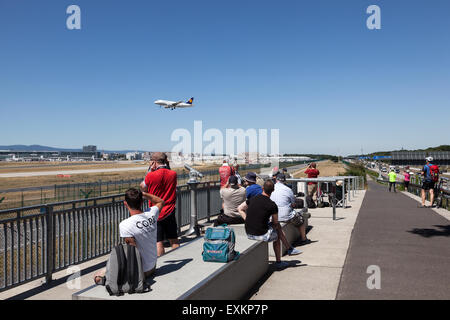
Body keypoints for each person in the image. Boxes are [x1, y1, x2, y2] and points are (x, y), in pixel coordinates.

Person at [93, 188, 165, 284]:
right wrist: (143, 194)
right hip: (152, 266)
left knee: (98, 276)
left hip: (141, 272)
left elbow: (133, 253)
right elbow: (160, 201)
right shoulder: (151, 214)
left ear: (125, 203)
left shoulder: (125, 225)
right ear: (141, 201)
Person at [238, 180, 301, 270]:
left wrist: (247, 220)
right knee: (277, 234)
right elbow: (275, 222)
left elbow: (240, 208)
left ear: (262, 188)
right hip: (260, 234)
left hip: (248, 232)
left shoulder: (252, 199)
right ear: (273, 190)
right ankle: (280, 260)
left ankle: (289, 248)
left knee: (276, 227)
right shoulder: (272, 205)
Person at [140, 152, 179, 256]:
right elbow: (168, 173)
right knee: (174, 240)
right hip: (170, 210)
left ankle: (161, 263)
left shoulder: (150, 176)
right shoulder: (173, 174)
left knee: (158, 242)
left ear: (153, 162)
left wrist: (149, 170)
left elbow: (143, 187)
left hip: (156, 211)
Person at [270, 173, 311, 246]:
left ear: (276, 179)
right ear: (285, 181)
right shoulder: (288, 189)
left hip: (273, 216)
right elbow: (293, 204)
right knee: (301, 221)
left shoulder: (271, 188)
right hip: (285, 216)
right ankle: (304, 239)